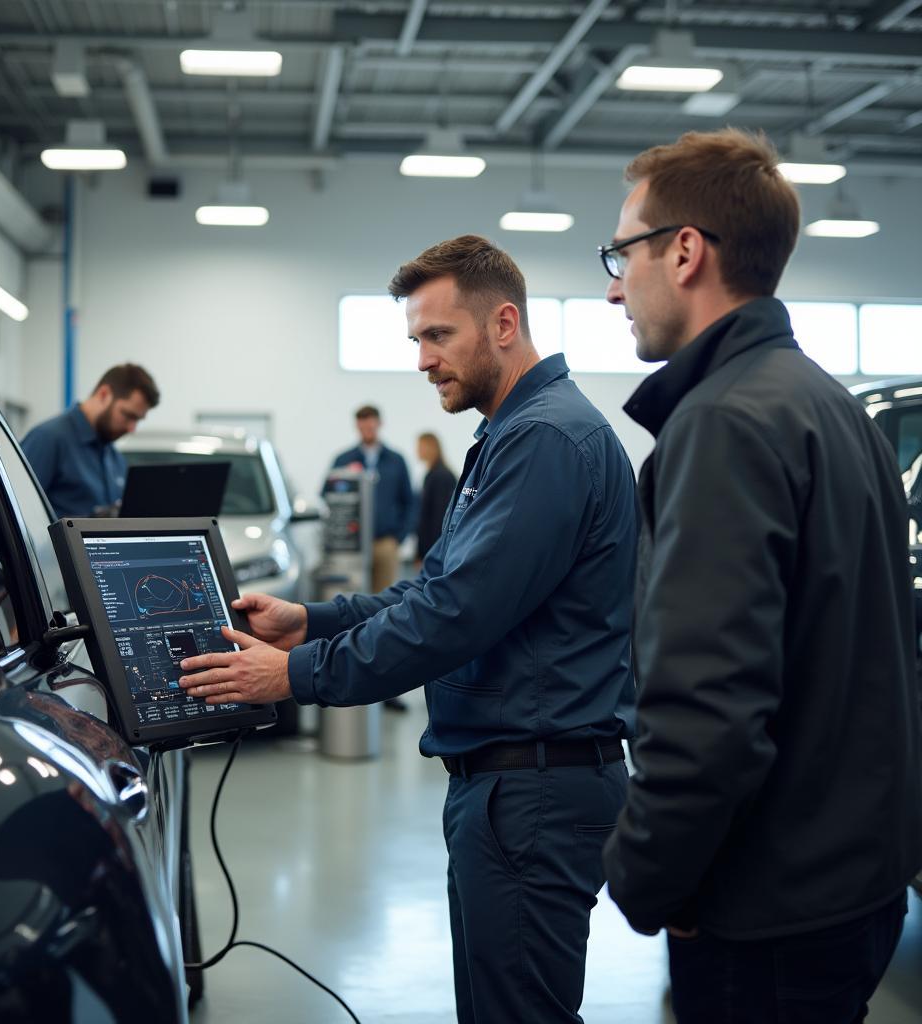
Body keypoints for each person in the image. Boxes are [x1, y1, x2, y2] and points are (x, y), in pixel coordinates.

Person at [178, 235, 638, 1023]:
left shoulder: (546, 441)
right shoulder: (509, 435)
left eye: (437, 335)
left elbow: (451, 619)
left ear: (503, 323)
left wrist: (293, 677)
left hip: (534, 788)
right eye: (415, 339)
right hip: (510, 784)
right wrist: (308, 621)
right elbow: (437, 588)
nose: (422, 360)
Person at [597, 128, 922, 1024]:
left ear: (687, 251)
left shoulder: (723, 424)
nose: (617, 286)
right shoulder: (829, 405)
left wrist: (646, 875)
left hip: (763, 906)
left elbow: (708, 705)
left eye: (622, 252)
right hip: (853, 886)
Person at [21, 364, 159, 518]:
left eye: (138, 420)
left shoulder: (115, 458)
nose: (131, 428)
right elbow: (17, 512)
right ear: (104, 394)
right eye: (128, 415)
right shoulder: (47, 439)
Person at [328, 405, 414, 592]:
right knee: (350, 597)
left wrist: (399, 537)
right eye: (363, 424)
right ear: (357, 426)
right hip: (351, 546)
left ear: (379, 424)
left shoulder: (396, 460)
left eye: (371, 424)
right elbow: (328, 498)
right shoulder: (343, 460)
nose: (367, 428)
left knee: (384, 599)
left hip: (385, 543)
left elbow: (409, 501)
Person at [414, 431, 457, 565]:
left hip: (436, 552)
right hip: (433, 550)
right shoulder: (433, 475)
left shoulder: (440, 476)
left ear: (431, 448)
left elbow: (439, 519)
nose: (417, 451)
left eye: (421, 446)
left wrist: (426, 554)